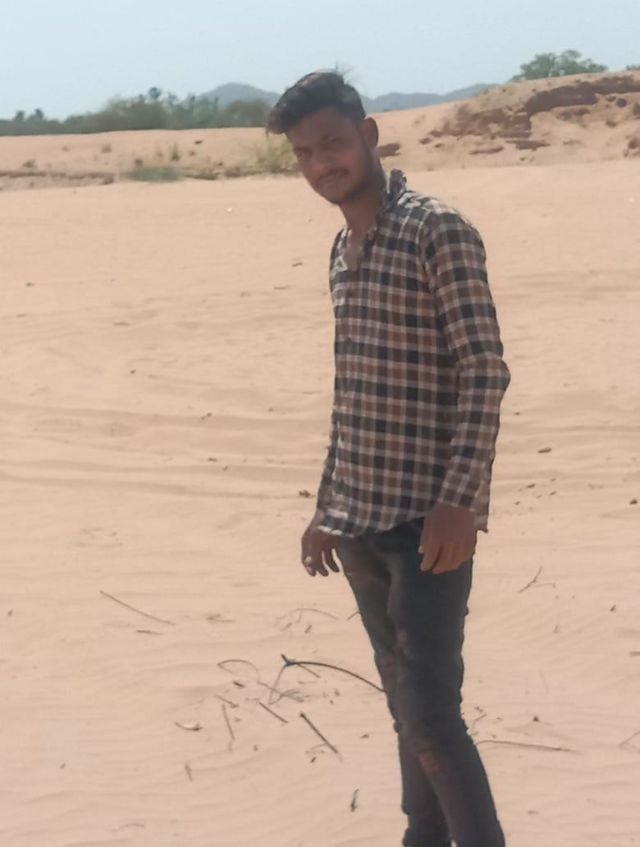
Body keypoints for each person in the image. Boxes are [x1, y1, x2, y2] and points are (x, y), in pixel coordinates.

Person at [267, 72, 511, 847]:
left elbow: (483, 370)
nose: (321, 164)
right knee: (406, 708)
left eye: (333, 144)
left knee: (431, 713)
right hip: (361, 521)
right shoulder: (343, 250)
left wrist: (460, 500)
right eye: (305, 153)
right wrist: (326, 505)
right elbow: (354, 391)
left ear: (369, 136)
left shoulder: (436, 229)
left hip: (427, 525)